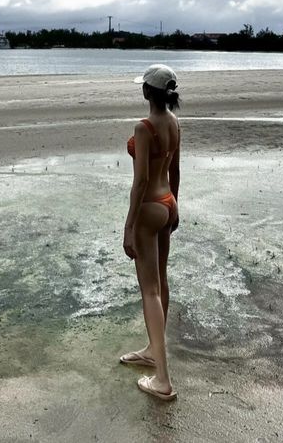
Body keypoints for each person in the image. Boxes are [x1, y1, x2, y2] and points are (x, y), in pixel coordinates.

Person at [121, 63, 181, 401]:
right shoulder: (173, 123)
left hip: (148, 208)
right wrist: (176, 207)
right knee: (161, 281)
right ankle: (151, 349)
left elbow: (141, 181)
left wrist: (129, 225)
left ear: (147, 92)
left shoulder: (144, 128)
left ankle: (162, 379)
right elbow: (175, 170)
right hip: (167, 202)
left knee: (150, 291)